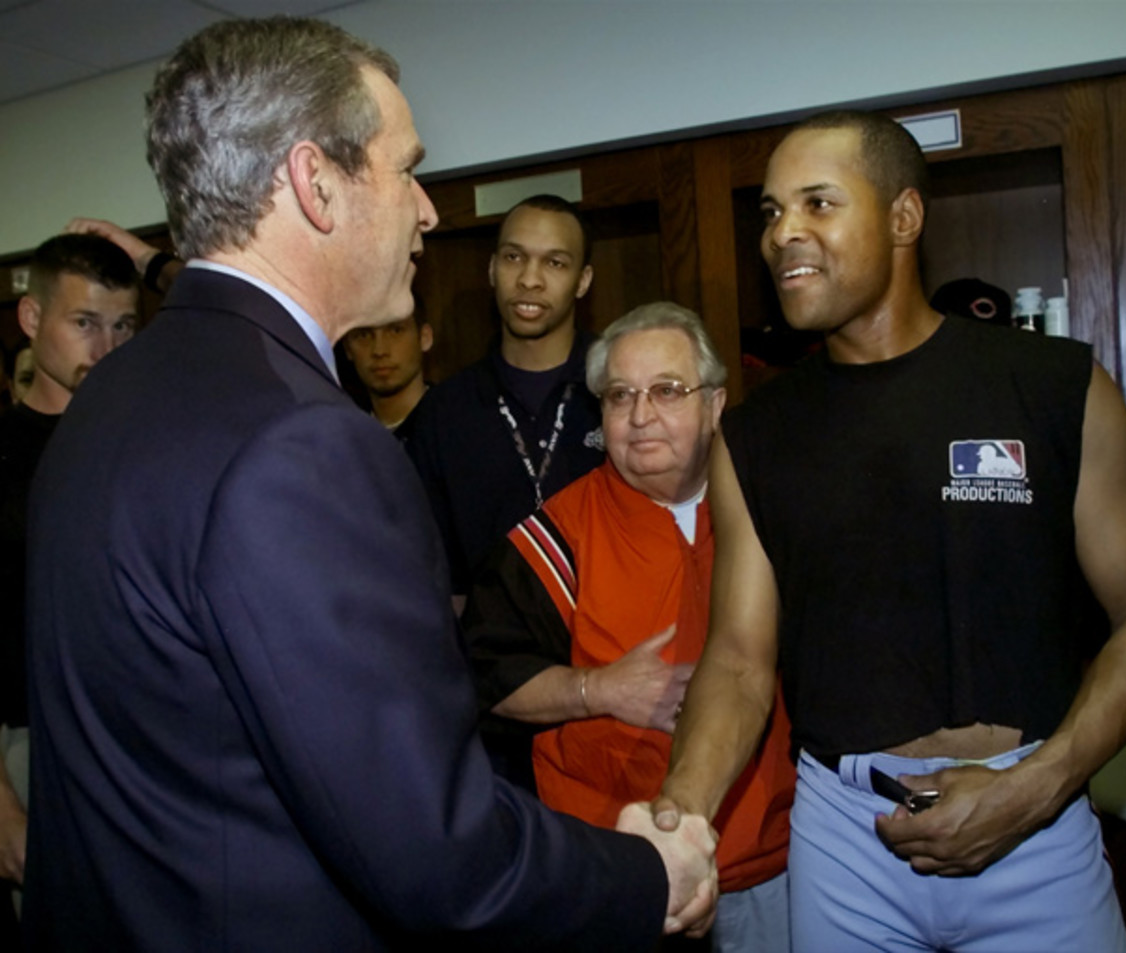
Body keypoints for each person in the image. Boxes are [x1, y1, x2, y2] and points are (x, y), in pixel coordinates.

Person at [22, 18, 716, 952]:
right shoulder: (301, 442)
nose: (427, 211)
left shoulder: (111, 393)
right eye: (406, 170)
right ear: (316, 183)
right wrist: (645, 874)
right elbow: (431, 846)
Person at [652, 110, 1126, 952]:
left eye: (818, 203)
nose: (783, 233)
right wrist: (680, 813)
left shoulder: (1054, 386)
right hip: (846, 838)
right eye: (771, 212)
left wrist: (1040, 786)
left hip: (1035, 822)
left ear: (903, 216)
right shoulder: (756, 436)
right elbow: (739, 660)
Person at [465, 302, 795, 952]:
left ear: (716, 404)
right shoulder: (557, 537)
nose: (641, 416)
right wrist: (599, 690)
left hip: (768, 862)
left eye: (667, 390)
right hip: (613, 873)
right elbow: (480, 674)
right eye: (620, 395)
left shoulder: (776, 513)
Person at [0, 232, 138, 915]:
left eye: (123, 326)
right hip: (34, 745)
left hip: (143, 740)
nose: (106, 348)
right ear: (32, 319)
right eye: (85, 323)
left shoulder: (145, 440)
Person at [406, 194, 603, 598]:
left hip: (612, 628)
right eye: (514, 257)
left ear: (583, 281)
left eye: (555, 263)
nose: (530, 279)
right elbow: (430, 568)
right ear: (492, 268)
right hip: (485, 635)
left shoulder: (620, 393)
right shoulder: (444, 412)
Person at [341, 307, 432, 434]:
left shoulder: (452, 423)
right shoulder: (340, 432)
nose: (379, 351)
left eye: (396, 331)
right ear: (348, 348)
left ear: (424, 337)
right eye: (364, 335)